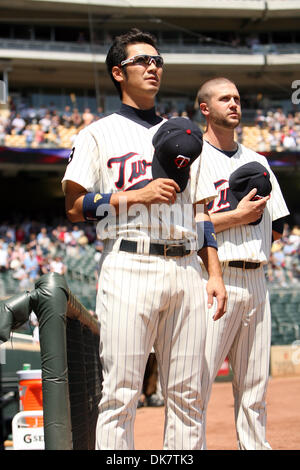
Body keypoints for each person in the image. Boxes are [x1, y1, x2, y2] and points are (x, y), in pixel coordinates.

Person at [62, 29, 227, 450]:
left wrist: (215, 273)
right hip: (130, 263)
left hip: (187, 267)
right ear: (118, 72)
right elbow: (76, 206)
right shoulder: (98, 134)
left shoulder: (187, 134)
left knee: (189, 396)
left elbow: (202, 211)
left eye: (158, 60)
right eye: (143, 61)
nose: (153, 66)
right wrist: (136, 195)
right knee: (120, 393)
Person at [194, 77, 290, 450]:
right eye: (224, 98)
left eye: (237, 98)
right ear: (205, 108)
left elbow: (278, 224)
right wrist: (235, 218)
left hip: (256, 280)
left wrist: (252, 235)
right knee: (196, 385)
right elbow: (181, 226)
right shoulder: (193, 159)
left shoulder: (258, 160)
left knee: (254, 387)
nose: (234, 104)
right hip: (212, 277)